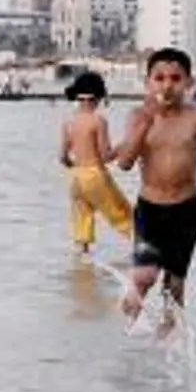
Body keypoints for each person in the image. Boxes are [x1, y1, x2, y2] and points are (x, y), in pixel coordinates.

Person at [113, 48, 196, 326]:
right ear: (148, 82)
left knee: (174, 287)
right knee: (145, 278)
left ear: (189, 82)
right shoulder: (138, 115)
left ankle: (170, 354)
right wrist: (146, 123)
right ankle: (120, 339)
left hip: (186, 211)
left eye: (175, 78)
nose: (167, 85)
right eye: (159, 78)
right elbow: (124, 162)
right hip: (150, 211)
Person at [58, 71, 133, 254]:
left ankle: (83, 266)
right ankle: (148, 251)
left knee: (83, 221)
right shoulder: (98, 121)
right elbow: (106, 156)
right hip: (95, 175)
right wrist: (125, 144)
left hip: (77, 177)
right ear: (97, 98)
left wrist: (74, 166)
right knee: (122, 214)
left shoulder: (68, 123)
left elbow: (62, 157)